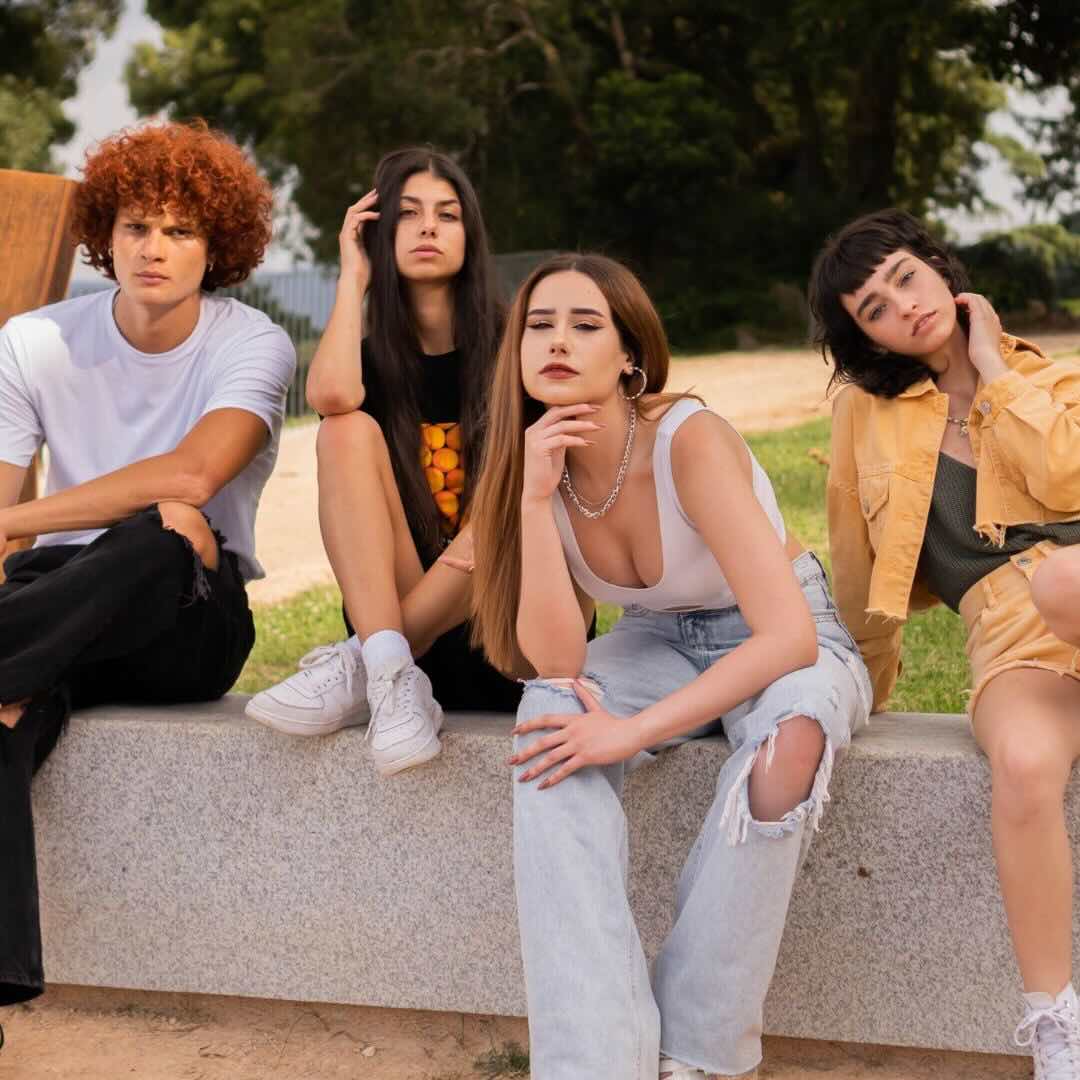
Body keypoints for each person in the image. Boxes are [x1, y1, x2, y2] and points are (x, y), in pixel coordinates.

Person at [468, 253, 871, 1079]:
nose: (557, 341)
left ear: (630, 355)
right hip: (656, 638)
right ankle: (594, 1059)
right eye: (539, 325)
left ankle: (695, 1048)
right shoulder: (527, 458)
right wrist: (533, 499)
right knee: (551, 713)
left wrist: (633, 732)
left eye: (586, 325)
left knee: (789, 741)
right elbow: (556, 659)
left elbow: (787, 637)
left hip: (786, 629)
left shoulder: (689, 438)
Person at [0, 121, 295, 1016]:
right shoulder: (33, 341)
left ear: (218, 246)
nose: (153, 248)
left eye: (179, 230)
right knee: (3, 717)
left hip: (185, 619)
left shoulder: (253, 343)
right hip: (53, 607)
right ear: (106, 235)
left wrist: (14, 524)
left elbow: (192, 477)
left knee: (164, 529)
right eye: (135, 226)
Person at [809, 208, 1080, 1080]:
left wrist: (994, 367)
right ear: (866, 337)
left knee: (1066, 581)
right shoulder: (867, 417)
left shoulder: (1054, 379)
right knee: (1025, 766)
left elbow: (1068, 476)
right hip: (1013, 641)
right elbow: (857, 566)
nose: (903, 307)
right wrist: (859, 689)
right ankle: (1056, 1026)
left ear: (938, 267)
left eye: (905, 278)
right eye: (874, 308)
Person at [245, 148, 521, 774]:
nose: (428, 228)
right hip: (402, 647)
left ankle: (370, 663)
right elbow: (330, 398)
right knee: (343, 431)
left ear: (470, 236)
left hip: (506, 633)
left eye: (446, 215)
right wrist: (352, 277)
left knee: (523, 479)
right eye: (408, 214)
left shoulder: (518, 346)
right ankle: (391, 670)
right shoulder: (367, 362)